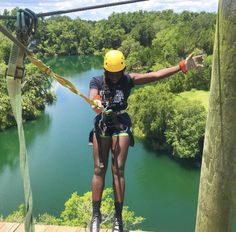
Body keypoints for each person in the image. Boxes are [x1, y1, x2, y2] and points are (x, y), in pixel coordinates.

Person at [89, 50, 203, 232]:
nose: (116, 77)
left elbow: (155, 75)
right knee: (99, 169)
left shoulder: (128, 79)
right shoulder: (97, 81)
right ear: (106, 70)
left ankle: (118, 218)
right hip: (103, 124)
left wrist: (181, 67)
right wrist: (96, 102)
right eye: (112, 73)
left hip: (120, 123)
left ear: (123, 70)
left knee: (118, 170)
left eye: (118, 73)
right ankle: (96, 215)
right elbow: (93, 97)